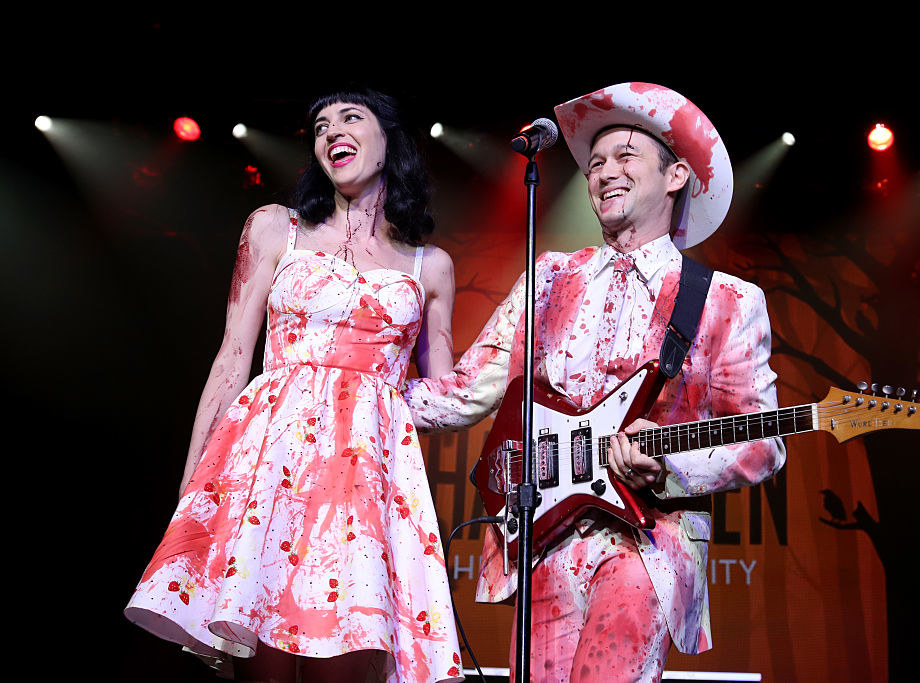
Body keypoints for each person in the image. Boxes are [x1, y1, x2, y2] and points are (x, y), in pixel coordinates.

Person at [403, 82, 786, 681]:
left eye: (627, 155)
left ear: (677, 174)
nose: (606, 171)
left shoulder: (726, 300)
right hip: (546, 539)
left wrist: (671, 468)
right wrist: (360, 395)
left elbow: (763, 443)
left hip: (650, 541)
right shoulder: (550, 277)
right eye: (596, 163)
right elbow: (467, 390)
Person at [125, 86, 464, 683]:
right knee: (264, 662)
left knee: (348, 658)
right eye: (321, 125)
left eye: (351, 118)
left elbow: (443, 395)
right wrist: (193, 483)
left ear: (389, 141)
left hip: (362, 483)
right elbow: (232, 358)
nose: (333, 130)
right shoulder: (274, 230)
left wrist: (505, 359)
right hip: (269, 468)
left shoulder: (428, 266)